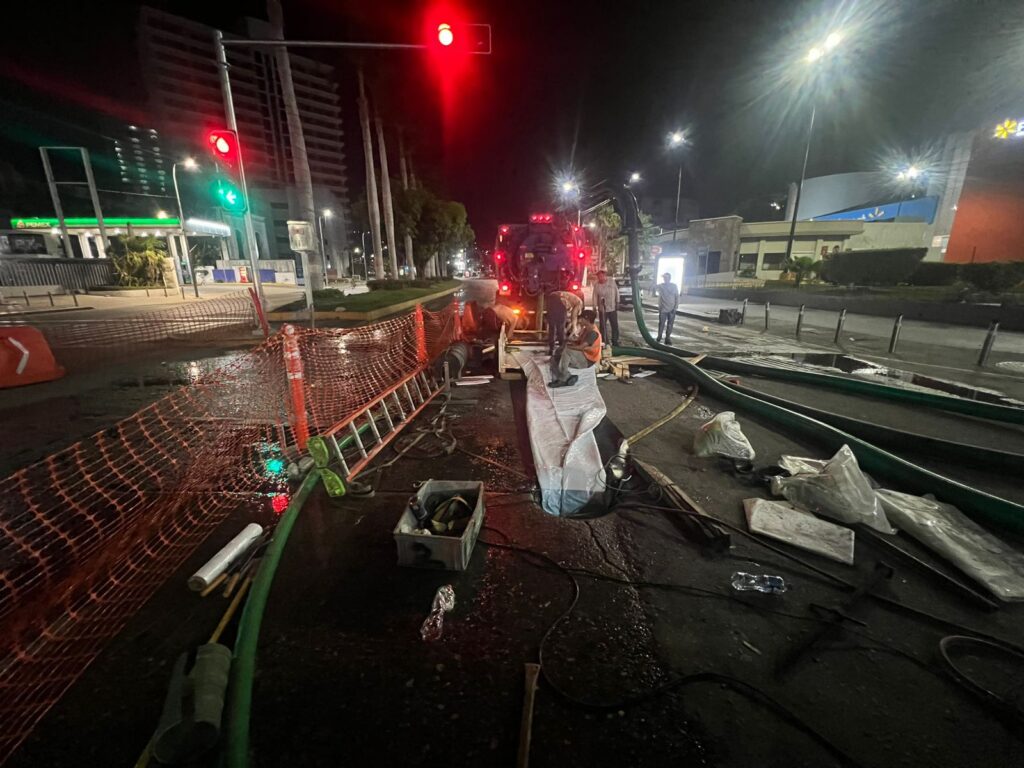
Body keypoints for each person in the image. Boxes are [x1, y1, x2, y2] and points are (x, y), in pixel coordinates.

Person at [549, 310, 602, 388]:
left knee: (567, 351)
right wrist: (568, 340)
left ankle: (563, 379)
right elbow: (579, 341)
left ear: (587, 320)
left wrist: (568, 347)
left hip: (588, 360)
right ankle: (568, 376)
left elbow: (581, 347)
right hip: (583, 355)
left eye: (582, 319)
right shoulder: (586, 328)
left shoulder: (593, 333)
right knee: (557, 356)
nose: (580, 320)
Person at [546, 289, 583, 355]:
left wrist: (569, 326)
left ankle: (551, 348)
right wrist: (574, 328)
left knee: (552, 326)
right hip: (560, 300)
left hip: (551, 297)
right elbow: (574, 316)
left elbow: (570, 317)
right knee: (560, 327)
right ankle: (561, 349)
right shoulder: (579, 303)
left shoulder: (572, 299)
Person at [593, 270, 620, 346]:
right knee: (603, 326)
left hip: (612, 307)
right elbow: (594, 296)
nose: (600, 278)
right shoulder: (597, 285)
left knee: (614, 325)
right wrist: (594, 307)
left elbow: (616, 291)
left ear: (605, 276)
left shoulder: (611, 281)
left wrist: (617, 301)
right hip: (602, 309)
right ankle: (605, 341)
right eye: (599, 277)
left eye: (601, 276)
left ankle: (615, 340)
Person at [655, 272, 679, 345]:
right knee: (661, 323)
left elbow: (677, 297)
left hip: (672, 309)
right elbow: (652, 286)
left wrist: (675, 307)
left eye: (667, 278)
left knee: (670, 324)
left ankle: (667, 338)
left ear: (669, 278)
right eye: (664, 278)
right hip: (663, 309)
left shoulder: (674, 286)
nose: (665, 279)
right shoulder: (661, 286)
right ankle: (659, 336)